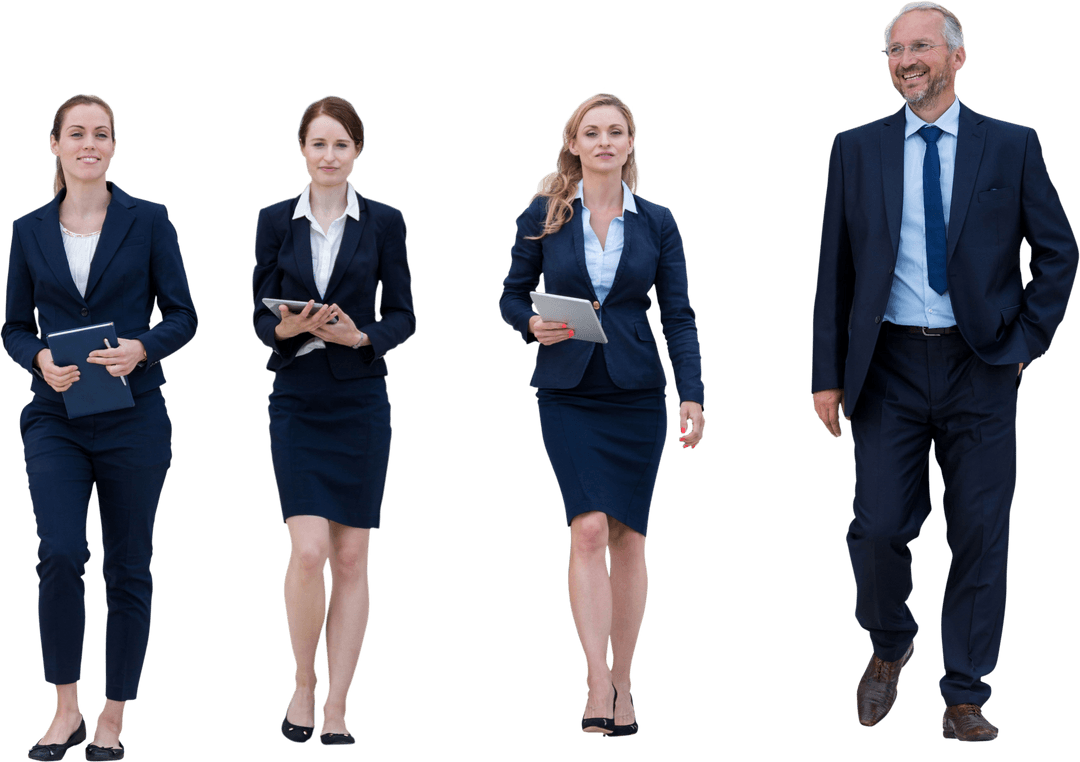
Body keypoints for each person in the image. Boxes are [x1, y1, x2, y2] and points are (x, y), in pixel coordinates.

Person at [810, 2, 1078, 742]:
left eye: (920, 45)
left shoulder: (1012, 145)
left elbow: (1057, 250)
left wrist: (1027, 338)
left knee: (981, 532)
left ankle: (964, 693)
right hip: (887, 365)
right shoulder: (856, 148)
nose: (906, 60)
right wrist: (825, 375)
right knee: (877, 528)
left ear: (958, 55)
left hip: (981, 363)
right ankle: (889, 643)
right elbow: (835, 266)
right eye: (895, 49)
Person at [499, 93, 705, 738]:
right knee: (586, 529)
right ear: (575, 144)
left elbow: (678, 313)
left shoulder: (658, 221)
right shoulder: (543, 215)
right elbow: (509, 295)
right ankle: (595, 678)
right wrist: (531, 324)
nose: (605, 142)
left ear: (631, 144)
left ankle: (626, 680)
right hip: (567, 389)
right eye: (593, 132)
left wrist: (692, 393)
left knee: (630, 539)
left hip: (637, 392)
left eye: (617, 131)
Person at [1, 93, 198, 761]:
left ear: (114, 146)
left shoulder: (149, 220)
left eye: (102, 133)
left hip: (134, 417)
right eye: (77, 133)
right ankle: (66, 708)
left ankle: (112, 714)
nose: (91, 142)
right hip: (55, 417)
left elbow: (182, 314)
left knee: (128, 565)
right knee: (59, 552)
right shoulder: (28, 229)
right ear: (54, 145)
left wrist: (143, 347)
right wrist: (39, 357)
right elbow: (13, 326)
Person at [251, 95, 415, 747]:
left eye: (340, 145)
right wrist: (285, 326)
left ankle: (340, 704)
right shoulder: (272, 220)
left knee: (350, 559)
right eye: (318, 144)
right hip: (296, 398)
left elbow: (403, 314)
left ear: (357, 153)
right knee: (308, 548)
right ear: (302, 149)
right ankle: (302, 684)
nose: (328, 156)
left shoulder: (385, 222)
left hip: (359, 402)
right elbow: (258, 316)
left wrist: (357, 336)